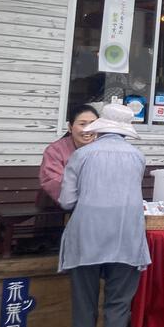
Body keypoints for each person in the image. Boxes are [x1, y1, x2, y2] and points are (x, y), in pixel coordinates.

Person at [58, 103, 150, 327]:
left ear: (101, 126)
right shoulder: (137, 157)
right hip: (125, 236)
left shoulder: (81, 155)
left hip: (86, 237)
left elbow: (66, 201)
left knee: (84, 306)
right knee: (117, 305)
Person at [35, 104, 99, 248]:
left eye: (93, 124)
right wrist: (80, 194)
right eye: (82, 124)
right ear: (70, 127)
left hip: (95, 208)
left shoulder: (103, 149)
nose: (88, 129)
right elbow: (52, 180)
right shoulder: (55, 150)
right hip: (57, 206)